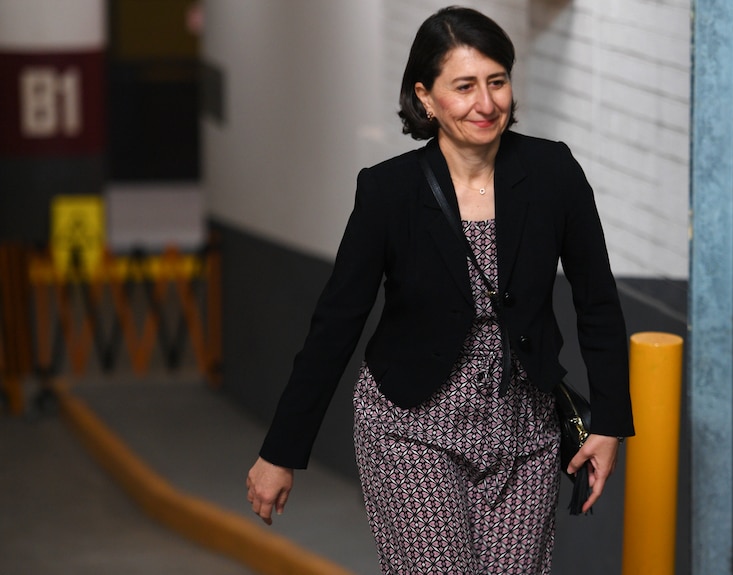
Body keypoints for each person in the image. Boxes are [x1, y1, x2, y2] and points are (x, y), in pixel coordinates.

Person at [246, 6, 634, 574]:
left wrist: (609, 425)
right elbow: (336, 323)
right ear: (425, 97)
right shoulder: (388, 191)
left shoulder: (553, 174)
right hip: (411, 426)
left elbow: (597, 302)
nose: (486, 103)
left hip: (524, 431)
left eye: (497, 81)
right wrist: (281, 451)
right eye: (465, 86)